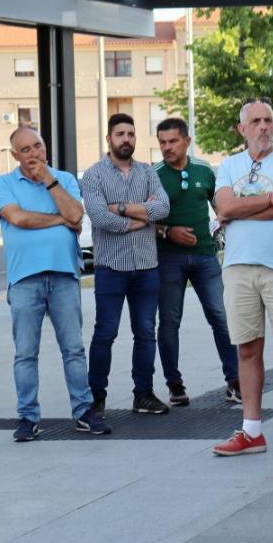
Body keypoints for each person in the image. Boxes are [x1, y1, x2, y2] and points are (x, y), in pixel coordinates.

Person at [211, 100, 273, 459]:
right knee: (247, 348)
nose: (263, 127)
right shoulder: (228, 165)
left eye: (268, 120)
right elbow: (224, 207)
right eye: (255, 121)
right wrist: (267, 199)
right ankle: (252, 430)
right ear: (242, 129)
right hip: (238, 266)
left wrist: (240, 209)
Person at [0, 127, 110, 440]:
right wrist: (60, 220)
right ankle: (28, 417)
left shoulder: (65, 179)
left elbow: (77, 214)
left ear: (45, 147)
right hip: (24, 279)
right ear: (15, 155)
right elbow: (18, 219)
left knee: (73, 349)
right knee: (25, 353)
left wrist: (49, 180)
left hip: (63, 275)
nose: (33, 154)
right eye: (26, 149)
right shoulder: (5, 183)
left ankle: (84, 411)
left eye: (37, 146)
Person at [81, 113, 171, 416]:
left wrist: (121, 209)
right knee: (105, 333)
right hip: (111, 268)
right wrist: (140, 220)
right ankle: (96, 398)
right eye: (120, 134)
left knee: (146, 332)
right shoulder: (93, 175)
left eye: (131, 134)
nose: (126, 139)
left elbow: (163, 207)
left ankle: (143, 394)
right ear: (109, 139)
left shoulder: (147, 172)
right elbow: (99, 218)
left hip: (146, 266)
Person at [152, 117, 240, 407]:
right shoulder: (153, 175)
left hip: (205, 255)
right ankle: (174, 384)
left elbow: (221, 207)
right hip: (168, 258)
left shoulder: (204, 170)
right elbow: (142, 219)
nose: (167, 147)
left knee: (221, 317)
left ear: (187, 141)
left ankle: (235, 381)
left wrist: (223, 229)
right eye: (162, 142)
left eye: (173, 141)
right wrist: (168, 231)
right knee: (169, 322)